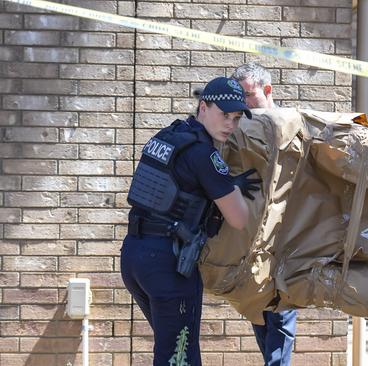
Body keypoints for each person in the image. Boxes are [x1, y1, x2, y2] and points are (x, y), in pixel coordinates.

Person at [121, 77, 260, 365]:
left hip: (134, 256)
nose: (231, 125)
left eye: (236, 118)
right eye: (225, 115)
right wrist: (230, 187)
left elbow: (173, 186)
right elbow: (239, 218)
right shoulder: (203, 154)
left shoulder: (167, 136)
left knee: (171, 349)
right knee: (180, 357)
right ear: (203, 106)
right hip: (167, 265)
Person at [231, 62, 298, 366]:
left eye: (248, 96)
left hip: (287, 238)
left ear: (267, 90)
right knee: (259, 314)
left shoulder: (290, 125)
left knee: (281, 315)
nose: (243, 104)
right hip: (252, 240)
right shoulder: (239, 127)